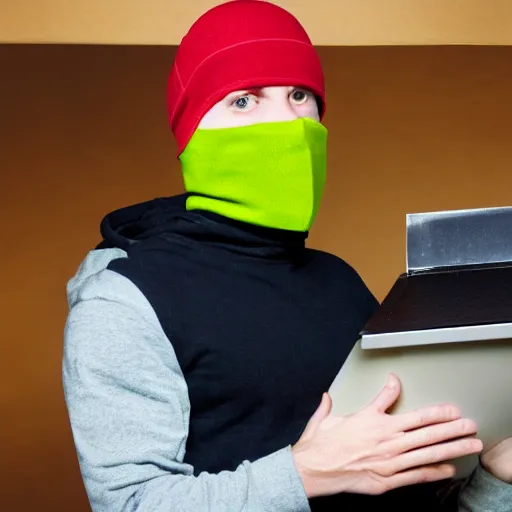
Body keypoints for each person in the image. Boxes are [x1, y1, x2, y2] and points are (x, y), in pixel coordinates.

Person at [62, 1, 512, 511]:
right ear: (190, 130)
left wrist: (496, 477)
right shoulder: (124, 300)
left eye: (300, 95)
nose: (285, 120)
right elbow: (131, 505)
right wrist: (306, 473)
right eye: (243, 101)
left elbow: (403, 485)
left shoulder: (339, 281)